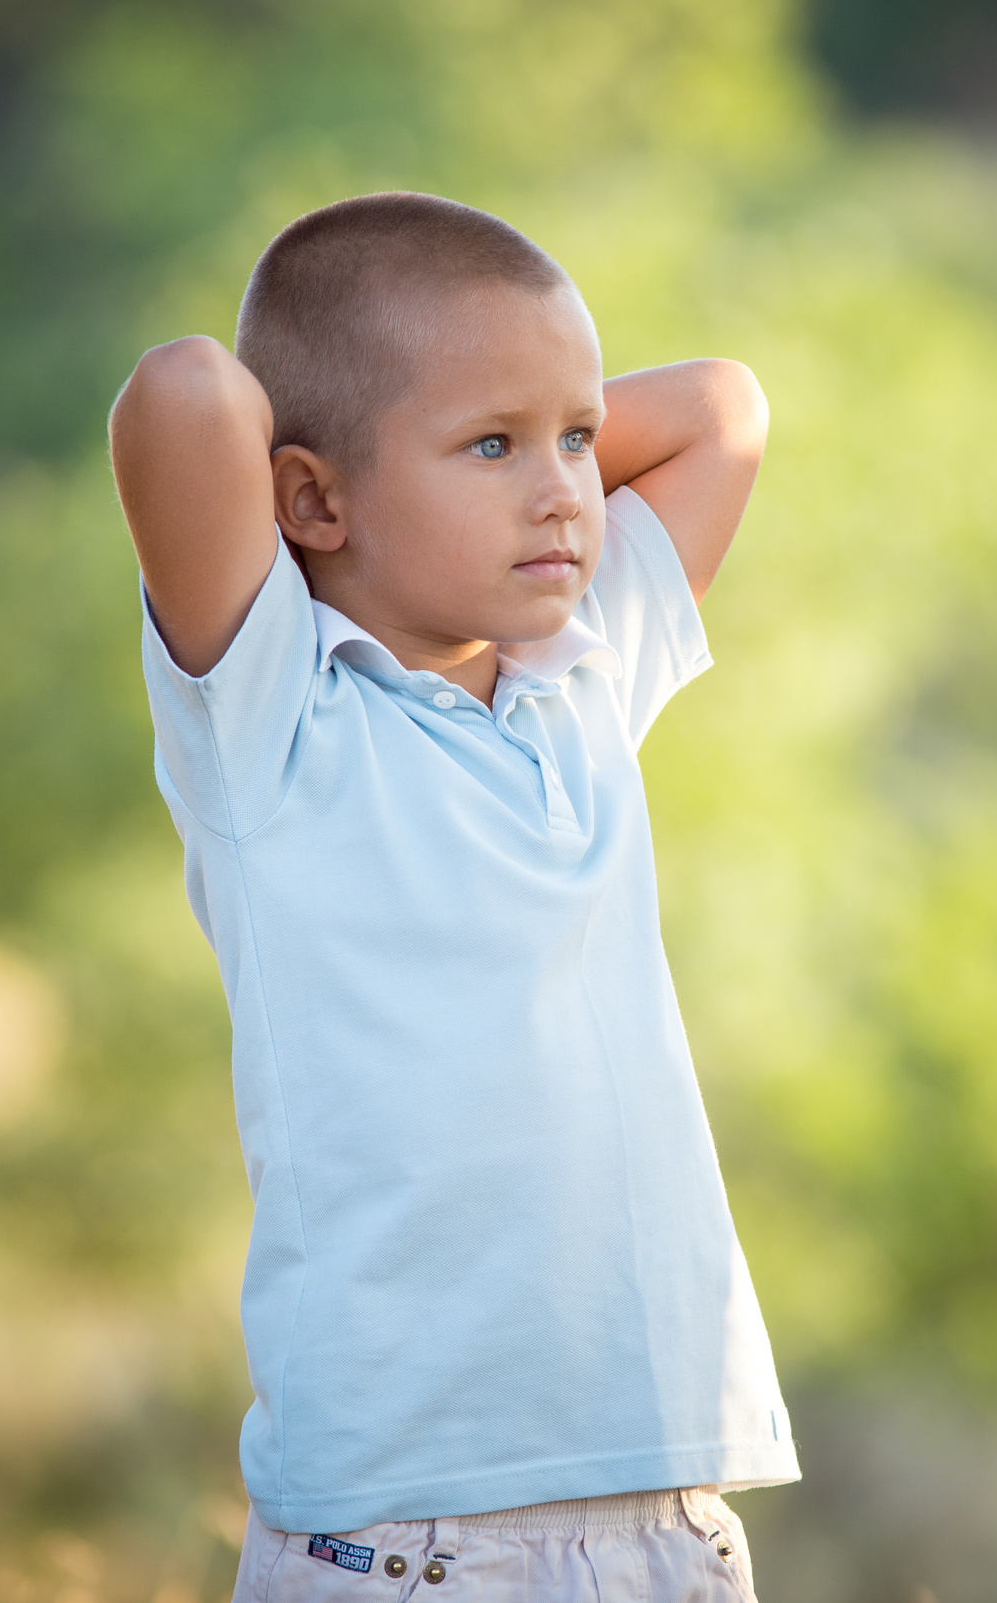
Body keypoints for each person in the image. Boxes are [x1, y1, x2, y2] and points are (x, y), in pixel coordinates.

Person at [108, 191, 795, 1601]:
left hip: (668, 1511)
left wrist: (517, 411)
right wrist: (349, 402)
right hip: (410, 1541)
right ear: (306, 496)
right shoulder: (277, 724)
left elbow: (726, 408)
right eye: (491, 446)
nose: (562, 491)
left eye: (579, 440)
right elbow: (184, 391)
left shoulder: (586, 675)